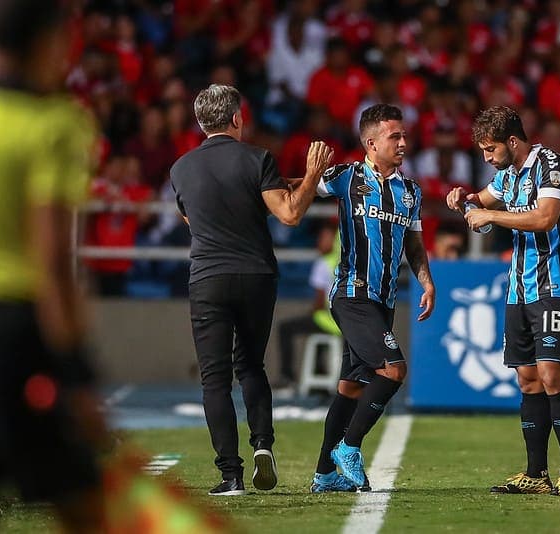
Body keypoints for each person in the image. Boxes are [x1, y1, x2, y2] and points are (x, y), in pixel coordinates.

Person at [0, 1, 105, 531]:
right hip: (14, 338)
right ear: (46, 43)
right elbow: (51, 260)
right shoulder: (55, 123)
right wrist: (78, 374)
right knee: (87, 509)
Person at [169, 84, 333, 496]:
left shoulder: (181, 169)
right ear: (238, 118)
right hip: (257, 275)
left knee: (214, 379)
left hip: (208, 276)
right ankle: (263, 444)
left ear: (200, 122)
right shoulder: (257, 158)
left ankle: (230, 475)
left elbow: (192, 222)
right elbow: (291, 213)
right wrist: (311, 176)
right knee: (251, 366)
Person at [446, 106, 560, 496]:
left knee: (551, 373)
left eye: (490, 150)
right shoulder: (507, 176)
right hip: (517, 289)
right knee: (527, 380)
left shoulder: (550, 164)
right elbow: (481, 198)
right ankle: (535, 474)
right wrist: (463, 198)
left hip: (553, 286)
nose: (486, 158)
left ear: (512, 141)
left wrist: (491, 216)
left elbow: (545, 218)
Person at [308, 104, 435, 493]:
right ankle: (349, 446)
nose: (403, 142)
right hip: (351, 294)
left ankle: (323, 475)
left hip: (383, 300)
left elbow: (413, 242)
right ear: (371, 142)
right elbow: (297, 189)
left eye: (403, 135)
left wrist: (426, 282)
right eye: (394, 136)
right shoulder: (345, 177)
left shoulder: (410, 190)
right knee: (394, 370)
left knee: (351, 386)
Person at [276, 221, 341, 389]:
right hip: (346, 322)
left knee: (286, 328)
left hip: (328, 320)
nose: (320, 242)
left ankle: (287, 377)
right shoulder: (346, 261)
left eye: (324, 238)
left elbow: (319, 303)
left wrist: (312, 310)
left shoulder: (323, 263)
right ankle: (323, 373)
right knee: (321, 336)